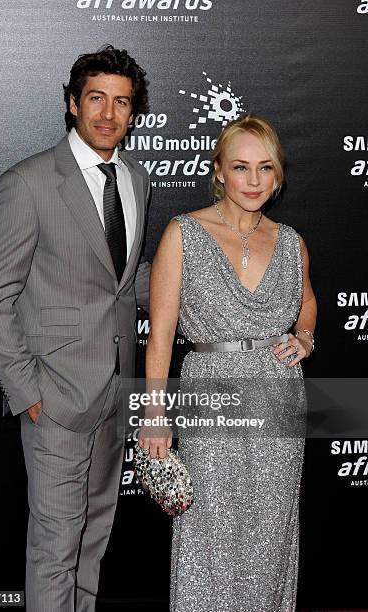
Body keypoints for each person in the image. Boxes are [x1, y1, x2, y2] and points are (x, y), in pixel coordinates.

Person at [0, 46, 151, 612]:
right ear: (72, 105)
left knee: (93, 542)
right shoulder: (28, 182)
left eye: (121, 103)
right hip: (55, 397)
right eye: (96, 98)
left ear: (133, 113)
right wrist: (29, 395)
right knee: (54, 549)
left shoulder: (135, 180)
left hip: (116, 391)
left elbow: (123, 281)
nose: (107, 114)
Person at [139, 113, 317, 611]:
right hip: (211, 392)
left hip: (279, 396)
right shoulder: (184, 233)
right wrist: (155, 415)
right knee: (210, 534)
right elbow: (161, 336)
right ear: (218, 170)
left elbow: (307, 303)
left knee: (271, 534)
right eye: (241, 167)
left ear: (278, 175)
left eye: (266, 168)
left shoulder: (291, 241)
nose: (254, 181)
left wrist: (304, 337)